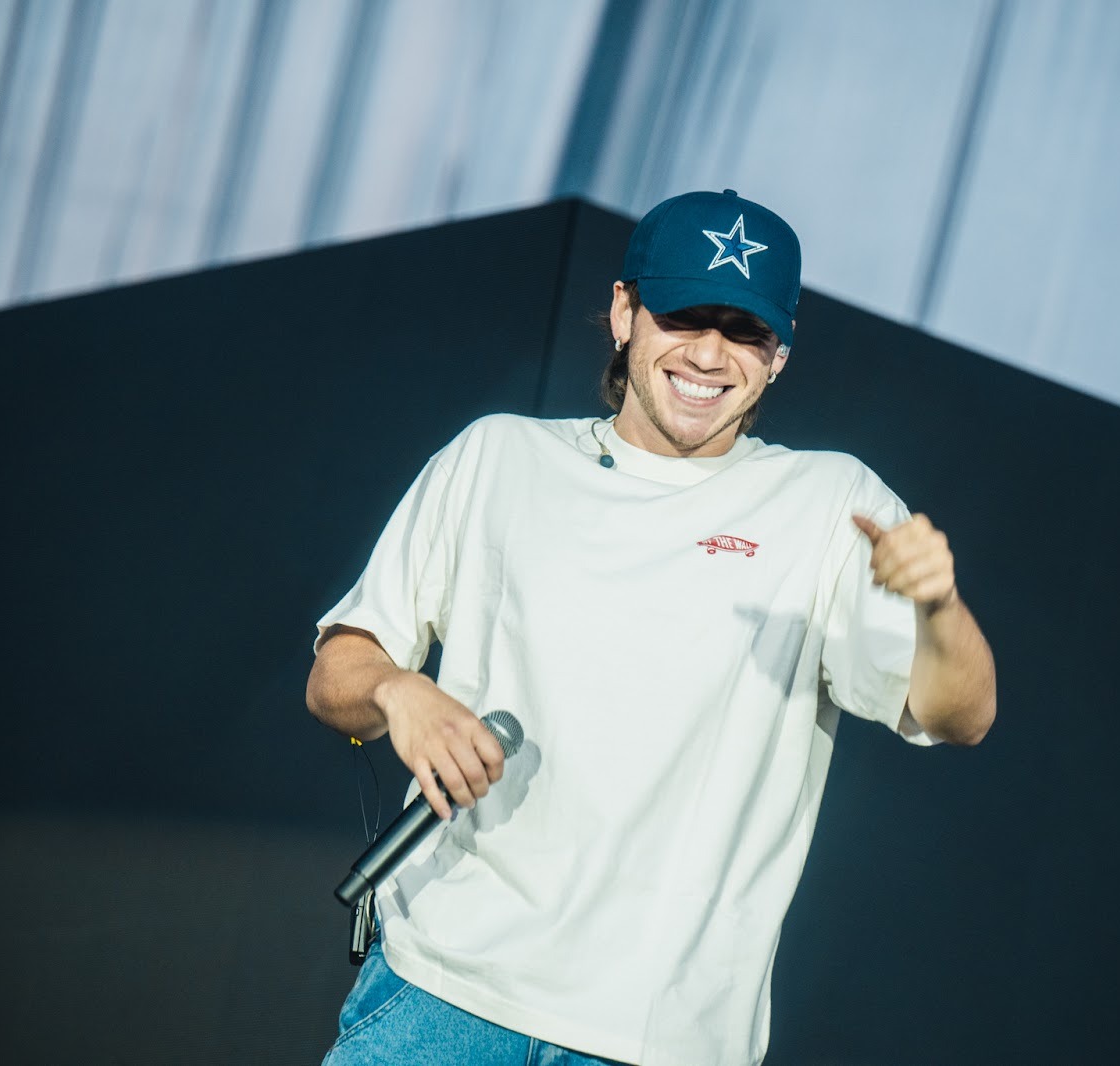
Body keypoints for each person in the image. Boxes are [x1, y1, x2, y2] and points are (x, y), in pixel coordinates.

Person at [307, 189, 996, 1066]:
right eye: (684, 317)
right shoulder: (498, 456)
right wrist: (397, 691)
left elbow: (960, 716)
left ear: (779, 355)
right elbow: (337, 672)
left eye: (744, 331)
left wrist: (939, 608)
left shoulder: (831, 503)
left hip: (659, 1039)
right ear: (625, 313)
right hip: (441, 992)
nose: (709, 354)